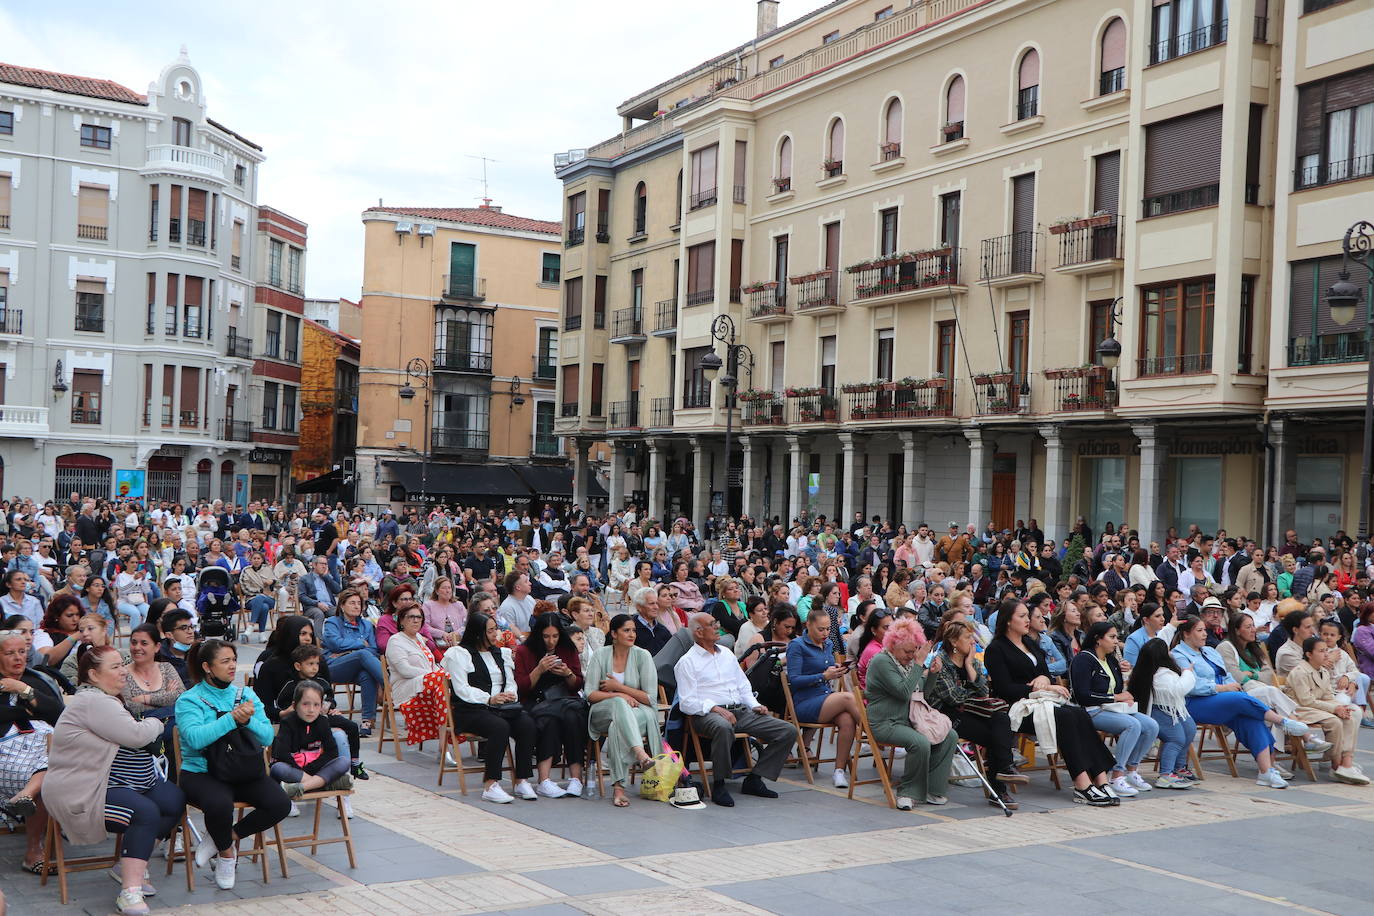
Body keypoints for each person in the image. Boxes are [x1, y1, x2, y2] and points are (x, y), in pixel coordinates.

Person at [43, 645, 186, 916]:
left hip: (116, 781)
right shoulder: (93, 701)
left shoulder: (109, 698)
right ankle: (129, 892)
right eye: (116, 667)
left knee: (173, 799)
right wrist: (160, 722)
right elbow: (136, 736)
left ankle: (128, 864)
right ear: (94, 675)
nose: (124, 671)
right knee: (144, 812)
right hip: (82, 790)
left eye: (123, 664)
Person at [174, 639, 290, 890]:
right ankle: (227, 854)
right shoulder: (189, 700)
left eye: (234, 660)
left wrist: (247, 721)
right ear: (207, 666)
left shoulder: (245, 694)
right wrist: (231, 719)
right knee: (219, 804)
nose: (232, 666)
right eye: (225, 661)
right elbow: (194, 739)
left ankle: (223, 839)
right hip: (202, 771)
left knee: (280, 803)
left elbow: (268, 737)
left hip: (243, 768)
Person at [982, 598, 1119, 806]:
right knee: (1065, 717)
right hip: (1018, 706)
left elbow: (1045, 672)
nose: (1027, 620)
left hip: (1043, 701)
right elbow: (1004, 688)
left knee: (1079, 714)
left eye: (1028, 616)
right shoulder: (996, 649)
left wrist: (1045, 681)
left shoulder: (1030, 643)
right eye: (1022, 616)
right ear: (1008, 621)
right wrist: (1038, 687)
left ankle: (1100, 778)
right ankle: (1082, 783)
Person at [674, 612, 798, 807]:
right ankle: (720, 783)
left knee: (788, 731)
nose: (717, 627)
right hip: (706, 714)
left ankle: (755, 779)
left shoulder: (726, 653)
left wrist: (755, 705)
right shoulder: (687, 662)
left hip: (739, 711)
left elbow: (743, 685)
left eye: (716, 622)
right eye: (712, 624)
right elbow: (687, 703)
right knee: (723, 726)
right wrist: (715, 708)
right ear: (698, 632)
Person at [1170, 615, 1309, 789]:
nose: (1205, 634)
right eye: (1199, 631)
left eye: (1204, 630)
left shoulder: (1210, 651)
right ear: (1186, 634)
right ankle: (1281, 721)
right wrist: (1223, 688)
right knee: (1239, 699)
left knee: (1250, 718)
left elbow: (1227, 675)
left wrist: (1231, 686)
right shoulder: (1178, 655)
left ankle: (1266, 772)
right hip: (1195, 702)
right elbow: (1192, 686)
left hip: (1223, 700)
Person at [926, 618, 1026, 810]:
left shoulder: (972, 661)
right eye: (967, 637)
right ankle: (1000, 787)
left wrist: (970, 667)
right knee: (995, 736)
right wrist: (972, 690)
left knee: (1001, 718)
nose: (973, 641)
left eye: (973, 637)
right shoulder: (941, 662)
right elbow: (953, 698)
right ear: (954, 642)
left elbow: (984, 692)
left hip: (974, 711)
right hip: (948, 716)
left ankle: (1003, 773)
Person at [440, 612, 539, 804]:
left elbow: (510, 682)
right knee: (499, 727)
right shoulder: (459, 654)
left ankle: (521, 780)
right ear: (478, 633)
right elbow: (461, 689)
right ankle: (491, 784)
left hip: (501, 706)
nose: (496, 634)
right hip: (470, 709)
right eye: (491, 631)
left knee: (527, 724)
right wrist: (489, 699)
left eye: (496, 629)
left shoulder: (500, 653)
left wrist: (509, 694)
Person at [862, 616, 960, 809]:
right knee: (920, 742)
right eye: (907, 651)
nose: (911, 655)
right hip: (885, 722)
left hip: (908, 720)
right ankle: (908, 791)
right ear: (893, 645)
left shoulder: (906, 663)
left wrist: (932, 673)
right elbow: (903, 692)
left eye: (915, 650)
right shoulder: (882, 661)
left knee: (950, 735)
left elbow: (923, 693)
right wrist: (919, 664)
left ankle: (933, 789)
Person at [1069, 622, 1160, 797]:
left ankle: (1131, 769)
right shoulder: (1083, 659)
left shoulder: (1111, 660)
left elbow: (1117, 689)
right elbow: (1082, 695)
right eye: (1111, 637)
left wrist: (1122, 687)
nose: (1116, 642)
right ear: (1098, 639)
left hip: (1114, 708)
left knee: (1151, 725)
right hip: (1090, 710)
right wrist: (1115, 697)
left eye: (1116, 637)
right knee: (1132, 725)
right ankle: (1116, 775)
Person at [0, 629, 63, 871]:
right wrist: (25, 711)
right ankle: (33, 851)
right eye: (9, 653)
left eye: (22, 652)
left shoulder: (36, 679)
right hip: (8, 752)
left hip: (45, 744)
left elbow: (59, 714)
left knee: (55, 760)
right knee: (52, 770)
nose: (18, 658)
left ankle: (26, 796)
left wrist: (22, 689)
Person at [586, 614, 661, 808]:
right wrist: (618, 696)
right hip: (602, 711)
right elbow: (590, 694)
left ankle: (619, 789)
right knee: (619, 704)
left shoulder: (642, 655)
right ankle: (640, 753)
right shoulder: (600, 655)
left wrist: (619, 688)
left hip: (640, 713)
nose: (632, 634)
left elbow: (650, 699)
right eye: (626, 630)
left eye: (634, 630)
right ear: (614, 633)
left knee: (616, 727)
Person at [785, 610, 862, 788]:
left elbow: (825, 670)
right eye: (821, 629)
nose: (825, 633)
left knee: (847, 720)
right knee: (848, 698)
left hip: (825, 698)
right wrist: (824, 676)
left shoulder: (827, 644)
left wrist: (837, 670)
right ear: (808, 625)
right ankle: (874, 736)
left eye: (828, 629)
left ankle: (839, 771)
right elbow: (794, 680)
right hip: (804, 702)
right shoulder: (797, 645)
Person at [513, 613, 587, 798]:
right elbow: (521, 688)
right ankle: (544, 780)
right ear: (539, 634)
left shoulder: (567, 649)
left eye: (555, 636)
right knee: (550, 719)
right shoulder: (525, 651)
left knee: (572, 717)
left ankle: (576, 778)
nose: (551, 641)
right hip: (536, 701)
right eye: (546, 636)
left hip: (564, 699)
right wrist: (539, 669)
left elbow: (577, 684)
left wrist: (567, 673)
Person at [1286, 636, 1369, 784]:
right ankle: (1335, 764)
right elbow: (1306, 701)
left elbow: (1328, 696)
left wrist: (1341, 707)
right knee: (1334, 721)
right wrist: (1334, 708)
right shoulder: (1300, 672)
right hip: (1301, 709)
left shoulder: (1323, 671)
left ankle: (1346, 761)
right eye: (1321, 651)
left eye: (1326, 650)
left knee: (1353, 711)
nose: (1326, 654)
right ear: (1309, 654)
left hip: (1317, 707)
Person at [1126, 638, 1198, 789]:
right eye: (1167, 651)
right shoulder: (1162, 674)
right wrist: (1188, 673)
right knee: (1176, 739)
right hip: (1158, 711)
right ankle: (1166, 775)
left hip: (1173, 710)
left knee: (1189, 729)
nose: (1170, 653)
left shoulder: (1149, 669)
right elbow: (1179, 689)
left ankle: (1178, 768)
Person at [270, 682, 354, 797]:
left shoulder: (323, 722)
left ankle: (302, 788)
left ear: (321, 706)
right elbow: (281, 754)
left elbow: (331, 752)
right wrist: (302, 771)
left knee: (343, 761)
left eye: (316, 705)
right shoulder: (288, 723)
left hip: (317, 769)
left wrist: (312, 768)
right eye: (305, 704)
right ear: (294, 706)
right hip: (295, 770)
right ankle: (322, 785)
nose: (311, 710)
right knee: (278, 768)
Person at [384, 602, 451, 746]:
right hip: (407, 687)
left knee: (444, 689)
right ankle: (445, 743)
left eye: (419, 617)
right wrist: (432, 675)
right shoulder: (395, 641)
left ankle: (443, 745)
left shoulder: (420, 638)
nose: (415, 620)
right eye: (411, 617)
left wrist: (436, 674)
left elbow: (432, 665)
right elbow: (404, 670)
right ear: (401, 620)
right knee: (443, 682)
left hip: (429, 686)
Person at [322, 588, 384, 738]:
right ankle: (389, 686)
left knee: (366, 675)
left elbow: (374, 649)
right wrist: (360, 644)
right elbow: (335, 644)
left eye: (359, 603)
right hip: (334, 666)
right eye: (352, 603)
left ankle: (366, 722)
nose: (357, 606)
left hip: (357, 667)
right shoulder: (332, 622)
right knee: (362, 654)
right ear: (342, 606)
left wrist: (350, 650)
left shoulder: (367, 625)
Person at [1318, 618, 1372, 728]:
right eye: (1325, 634)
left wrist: (1347, 677)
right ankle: (1354, 713)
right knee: (1343, 702)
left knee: (1360, 680)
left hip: (1342, 689)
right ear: (1320, 634)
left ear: (1339, 637)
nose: (1328, 637)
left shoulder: (1343, 654)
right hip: (1328, 690)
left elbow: (1354, 671)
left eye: (1332, 635)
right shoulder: (1318, 653)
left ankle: (1360, 708)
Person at [854, 610, 893, 690]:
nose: (891, 631)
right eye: (886, 627)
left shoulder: (884, 645)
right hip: (876, 699)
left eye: (893, 627)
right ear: (873, 630)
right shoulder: (873, 651)